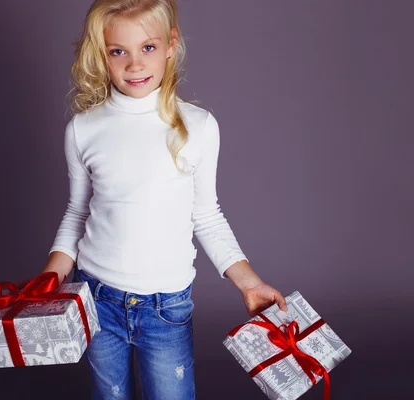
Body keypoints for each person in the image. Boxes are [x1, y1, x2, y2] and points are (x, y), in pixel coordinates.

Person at [40, 1, 288, 399]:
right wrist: (51, 277)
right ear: (101, 54)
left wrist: (249, 283)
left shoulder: (198, 126)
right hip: (96, 299)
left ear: (171, 44)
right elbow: (78, 212)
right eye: (118, 51)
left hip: (165, 309)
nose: (134, 64)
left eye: (148, 48)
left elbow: (206, 216)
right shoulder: (83, 129)